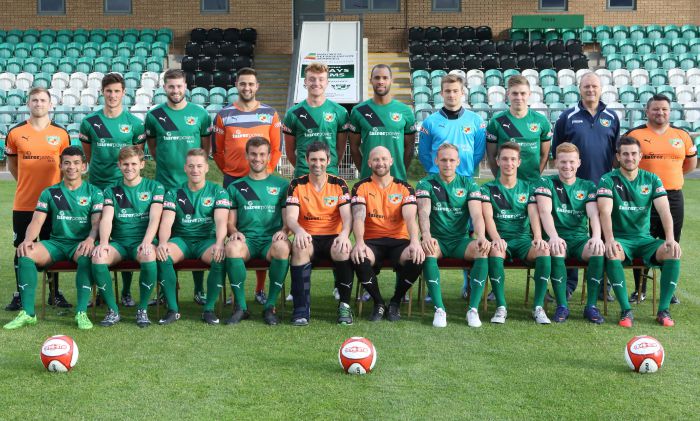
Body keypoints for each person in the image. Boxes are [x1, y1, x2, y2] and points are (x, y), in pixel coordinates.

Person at [4, 147, 105, 330]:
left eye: (76, 163)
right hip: (57, 244)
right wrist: (27, 240)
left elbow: (97, 222)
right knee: (25, 254)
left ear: (84, 166)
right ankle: (28, 313)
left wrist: (91, 239)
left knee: (88, 256)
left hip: (80, 244)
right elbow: (37, 221)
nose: (71, 167)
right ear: (60, 165)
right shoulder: (50, 192)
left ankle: (81, 312)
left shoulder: (94, 192)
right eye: (67, 163)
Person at [213, 67, 283, 306]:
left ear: (257, 86)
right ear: (236, 85)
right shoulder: (224, 115)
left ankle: (261, 289)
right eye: (243, 84)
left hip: (263, 180)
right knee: (237, 234)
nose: (247, 88)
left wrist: (267, 173)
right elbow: (217, 151)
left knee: (262, 230)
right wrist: (231, 172)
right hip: (234, 181)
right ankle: (235, 291)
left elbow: (276, 149)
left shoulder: (270, 113)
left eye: (251, 84)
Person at [597, 136, 682, 327]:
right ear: (618, 156)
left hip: (644, 240)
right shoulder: (607, 179)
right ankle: (626, 311)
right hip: (620, 240)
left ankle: (663, 310)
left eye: (634, 153)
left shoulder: (651, 179)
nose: (630, 158)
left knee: (672, 252)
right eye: (625, 154)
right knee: (612, 253)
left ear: (640, 156)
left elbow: (664, 210)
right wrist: (609, 240)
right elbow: (605, 211)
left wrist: (670, 239)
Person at [145, 69, 213, 305]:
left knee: (198, 233)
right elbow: (153, 148)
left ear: (186, 87)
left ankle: (199, 289)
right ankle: (166, 292)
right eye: (171, 86)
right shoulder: (154, 116)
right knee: (167, 239)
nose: (175, 90)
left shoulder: (200, 114)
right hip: (165, 186)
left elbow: (205, 148)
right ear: (164, 87)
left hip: (193, 187)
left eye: (179, 86)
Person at [417, 73, 487, 300]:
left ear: (463, 92)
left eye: (455, 90)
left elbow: (477, 153)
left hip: (464, 184)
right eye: (447, 91)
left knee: (466, 233)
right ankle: (431, 288)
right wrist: (437, 172)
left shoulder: (475, 121)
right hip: (438, 184)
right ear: (441, 93)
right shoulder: (429, 122)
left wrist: (461, 173)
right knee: (435, 232)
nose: (451, 94)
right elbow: (425, 153)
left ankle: (468, 285)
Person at [80, 72, 147, 307]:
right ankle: (97, 292)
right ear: (102, 92)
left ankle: (126, 291)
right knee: (96, 237)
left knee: (124, 236)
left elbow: (135, 157)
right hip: (98, 186)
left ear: (123, 93)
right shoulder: (89, 122)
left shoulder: (135, 124)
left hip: (124, 189)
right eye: (108, 91)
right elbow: (88, 154)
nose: (112, 95)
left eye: (117, 91)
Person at [552, 72, 620, 298]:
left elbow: (616, 154)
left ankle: (602, 286)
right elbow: (558, 151)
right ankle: (569, 286)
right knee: (572, 231)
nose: (591, 90)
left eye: (595, 86)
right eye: (586, 86)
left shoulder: (611, 116)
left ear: (601, 89)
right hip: (572, 188)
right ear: (579, 89)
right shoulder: (567, 116)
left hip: (603, 188)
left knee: (603, 235)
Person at [4, 86, 71, 311]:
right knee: (21, 248)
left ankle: (54, 293)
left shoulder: (61, 134)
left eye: (43, 100)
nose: (39, 104)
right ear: (28, 104)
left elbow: (66, 167)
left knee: (51, 248)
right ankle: (21, 294)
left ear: (50, 104)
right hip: (24, 203)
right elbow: (12, 164)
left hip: (54, 205)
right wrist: (25, 181)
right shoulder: (15, 133)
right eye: (34, 100)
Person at [625, 94, 696, 304]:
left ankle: (668, 291)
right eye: (655, 109)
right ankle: (640, 289)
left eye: (664, 109)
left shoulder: (681, 135)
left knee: (671, 242)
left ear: (670, 111)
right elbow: (624, 162)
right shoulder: (636, 133)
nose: (660, 113)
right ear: (647, 112)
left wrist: (670, 178)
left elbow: (690, 165)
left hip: (672, 196)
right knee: (641, 240)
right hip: (642, 197)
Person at [416, 144, 490, 328]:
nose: (447, 164)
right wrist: (425, 235)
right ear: (436, 161)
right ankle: (439, 309)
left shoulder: (468, 183)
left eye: (451, 160)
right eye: (443, 160)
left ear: (458, 161)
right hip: (437, 240)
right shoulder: (425, 183)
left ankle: (473, 309)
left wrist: (480, 235)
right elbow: (423, 212)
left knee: (482, 250)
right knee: (428, 250)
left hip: (460, 241)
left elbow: (476, 214)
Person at [478, 142, 552, 325]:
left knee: (544, 250)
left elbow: (534, 215)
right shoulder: (487, 189)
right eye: (504, 159)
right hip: (500, 238)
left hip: (523, 240)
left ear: (519, 162)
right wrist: (496, 238)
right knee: (495, 250)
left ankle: (538, 307)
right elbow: (488, 218)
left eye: (512, 159)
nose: (508, 163)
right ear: (497, 161)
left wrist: (537, 238)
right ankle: (501, 307)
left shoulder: (528, 187)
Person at [90, 146, 164, 327]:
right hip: (119, 243)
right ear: (119, 165)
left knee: (148, 254)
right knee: (98, 256)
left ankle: (143, 309)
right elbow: (106, 218)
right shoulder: (111, 190)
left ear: (142, 164)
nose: (129, 168)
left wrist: (147, 241)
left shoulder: (155, 187)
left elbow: (155, 218)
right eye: (125, 164)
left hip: (143, 241)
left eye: (133, 164)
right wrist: (104, 242)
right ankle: (113, 310)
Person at [534, 142, 606, 324]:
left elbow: (593, 213)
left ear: (579, 163)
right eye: (563, 162)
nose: (567, 166)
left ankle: (591, 306)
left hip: (580, 239)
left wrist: (596, 236)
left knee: (597, 250)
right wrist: (553, 236)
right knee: (557, 249)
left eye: (571, 162)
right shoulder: (546, 182)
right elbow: (544, 212)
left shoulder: (588, 185)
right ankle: (562, 306)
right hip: (557, 237)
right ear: (555, 162)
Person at [155, 149, 230, 325]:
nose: (195, 170)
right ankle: (173, 309)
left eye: (199, 166)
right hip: (182, 241)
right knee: (163, 254)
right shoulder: (174, 193)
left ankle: (208, 309)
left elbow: (221, 221)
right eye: (191, 166)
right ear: (185, 168)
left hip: (206, 241)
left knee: (219, 256)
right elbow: (166, 222)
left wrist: (219, 243)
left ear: (206, 168)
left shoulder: (218, 191)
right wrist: (163, 243)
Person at [350, 146, 424, 322]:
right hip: (372, 241)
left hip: (399, 241)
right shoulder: (361, 187)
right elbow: (358, 217)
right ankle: (379, 303)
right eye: (376, 159)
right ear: (369, 163)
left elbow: (410, 218)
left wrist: (415, 242)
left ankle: (395, 302)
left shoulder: (404, 187)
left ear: (391, 161)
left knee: (417, 256)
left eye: (384, 159)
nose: (380, 163)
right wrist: (359, 242)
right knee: (359, 256)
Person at [285, 141, 354, 326]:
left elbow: (347, 218)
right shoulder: (297, 184)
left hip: (333, 236)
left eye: (322, 159)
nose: (318, 164)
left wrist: (344, 235)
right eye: (313, 159)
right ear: (307, 160)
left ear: (329, 160)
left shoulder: (339, 184)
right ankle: (301, 308)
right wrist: (298, 231)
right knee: (299, 248)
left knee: (344, 249)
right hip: (308, 236)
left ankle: (345, 306)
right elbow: (291, 217)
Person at [225, 137, 290, 326]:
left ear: (269, 156)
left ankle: (270, 306)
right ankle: (241, 307)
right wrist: (234, 232)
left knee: (282, 248)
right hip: (248, 241)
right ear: (246, 155)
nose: (257, 158)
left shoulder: (282, 185)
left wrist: (285, 231)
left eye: (262, 154)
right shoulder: (235, 187)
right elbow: (230, 222)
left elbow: (287, 221)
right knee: (232, 248)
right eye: (253, 154)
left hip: (271, 240)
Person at [349, 64, 417, 181]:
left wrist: (400, 170)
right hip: (369, 180)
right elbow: (354, 148)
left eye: (385, 78)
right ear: (371, 81)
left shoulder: (405, 111)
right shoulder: (359, 110)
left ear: (391, 80)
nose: (381, 81)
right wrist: (364, 170)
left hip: (397, 180)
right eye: (377, 78)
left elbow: (409, 147)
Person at [283, 62, 349, 178]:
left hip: (330, 174)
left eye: (321, 79)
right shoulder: (293, 113)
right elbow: (289, 152)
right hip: (303, 175)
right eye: (312, 79)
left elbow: (340, 149)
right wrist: (304, 168)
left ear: (327, 82)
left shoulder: (340, 112)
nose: (316, 83)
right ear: (305, 82)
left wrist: (330, 166)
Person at [486, 75, 551, 182]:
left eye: (523, 93)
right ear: (508, 94)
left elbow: (545, 155)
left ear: (529, 94)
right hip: (506, 185)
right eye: (515, 93)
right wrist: (501, 179)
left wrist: (535, 177)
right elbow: (491, 156)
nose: (519, 97)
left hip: (532, 183)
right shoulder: (497, 121)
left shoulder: (541, 121)